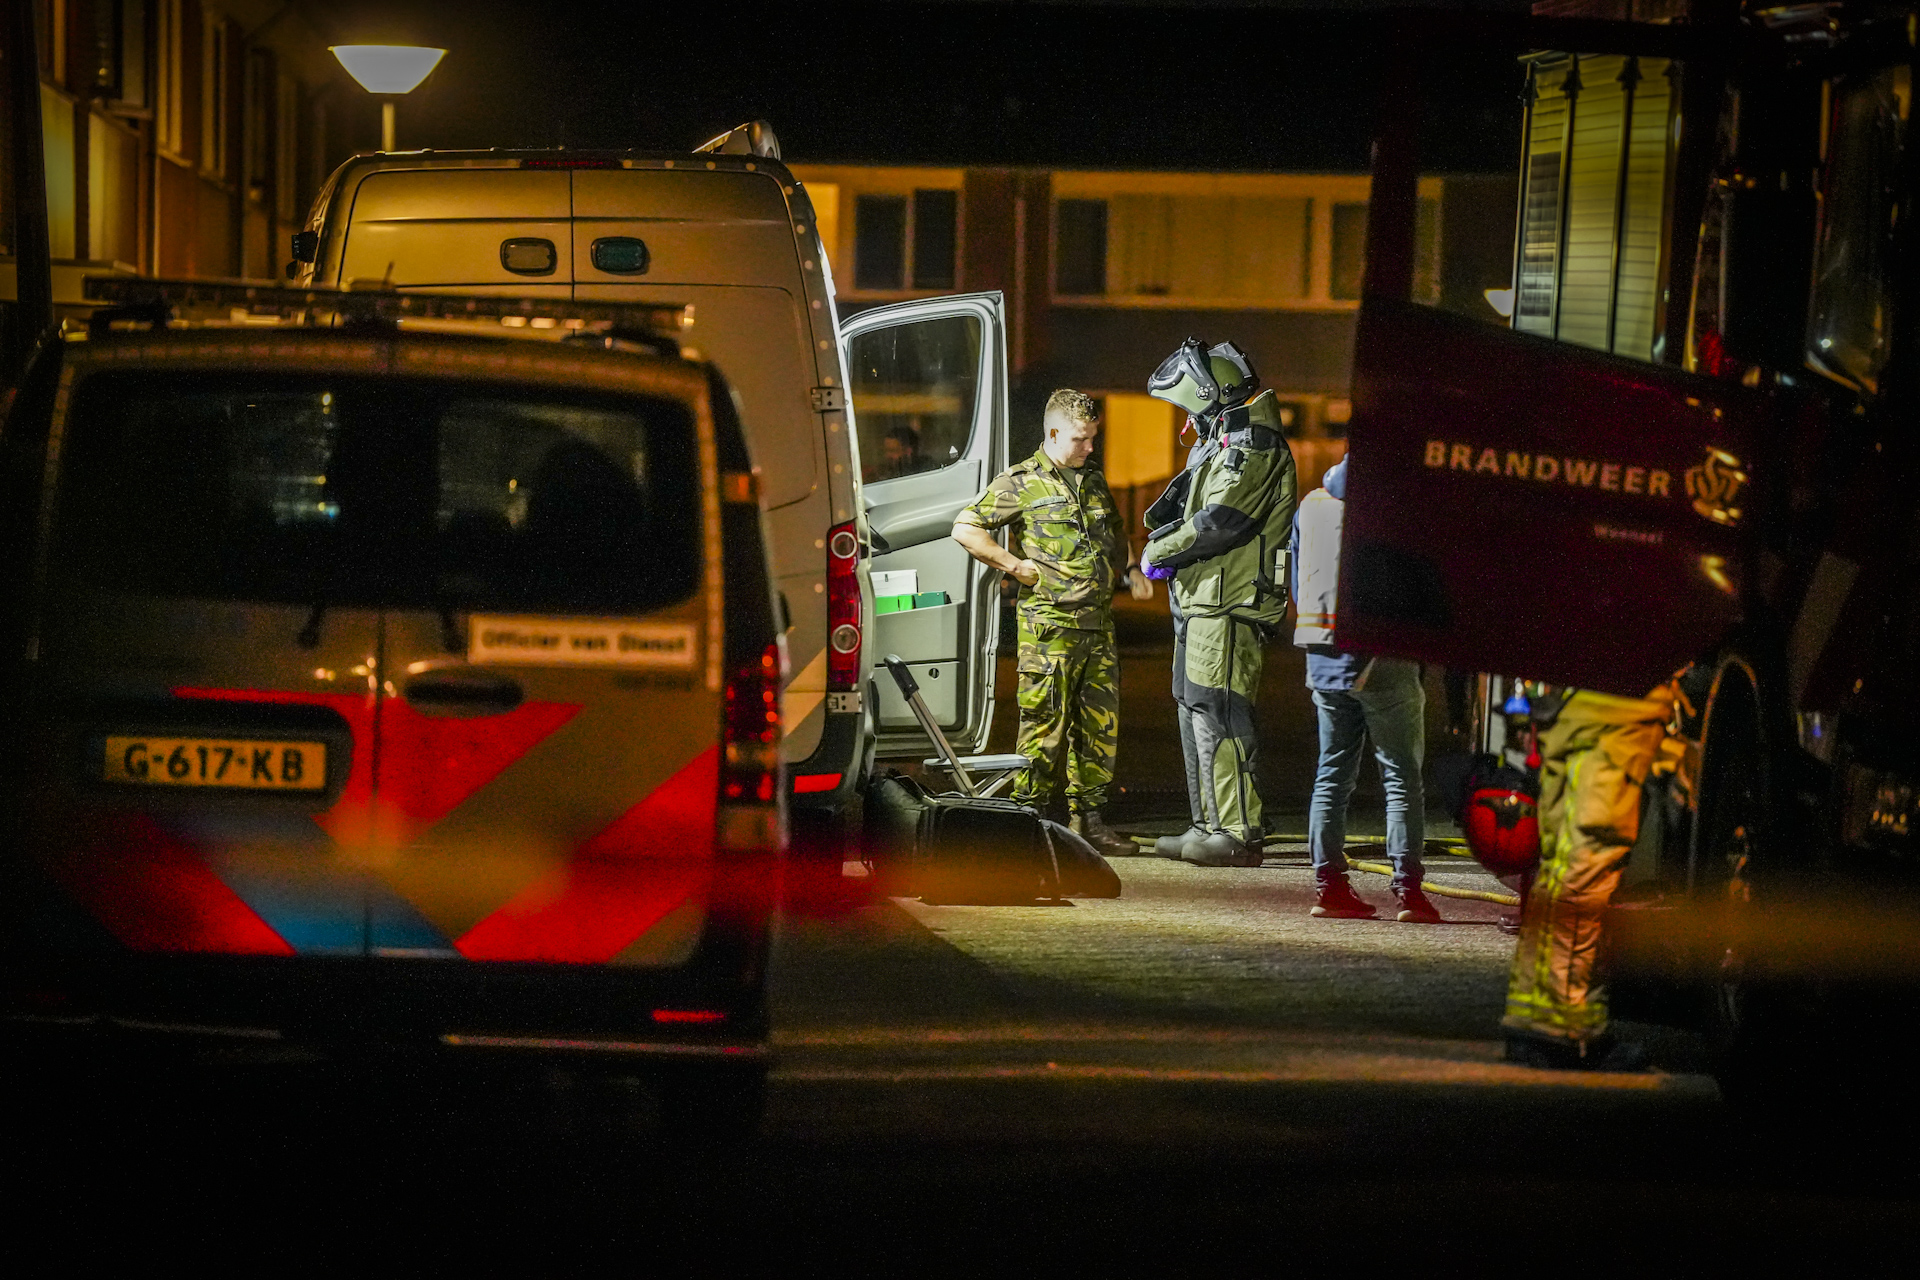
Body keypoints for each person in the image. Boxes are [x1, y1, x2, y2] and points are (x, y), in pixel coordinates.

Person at [952, 389, 1150, 858]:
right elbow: (965, 527)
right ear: (1054, 433)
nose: (1089, 448)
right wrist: (1013, 565)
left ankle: (1089, 822)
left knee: (1098, 727)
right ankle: (1031, 823)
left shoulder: (1093, 480)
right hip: (1050, 627)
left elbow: (1115, 533)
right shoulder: (1021, 482)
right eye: (1081, 439)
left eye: (1093, 438)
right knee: (1043, 725)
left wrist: (1132, 569)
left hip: (1097, 625)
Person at [1139, 339, 1297, 868]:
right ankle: (1207, 823)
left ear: (1213, 395)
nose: (1186, 418)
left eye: (1189, 407)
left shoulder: (1252, 445)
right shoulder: (1225, 440)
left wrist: (1157, 550)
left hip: (1229, 603)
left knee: (1219, 713)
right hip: (1204, 598)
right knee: (1194, 708)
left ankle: (1235, 829)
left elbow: (1221, 520)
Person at [1289, 458, 1439, 923]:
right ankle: (1409, 893)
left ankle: (1328, 887)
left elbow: (1296, 580)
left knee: (1332, 773)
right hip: (1379, 659)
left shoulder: (1311, 504)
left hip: (1321, 656)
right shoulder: (1389, 508)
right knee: (1401, 778)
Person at [1501, 680, 1676, 1070]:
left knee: (1561, 868)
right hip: (1618, 711)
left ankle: (1534, 1020)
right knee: (1586, 871)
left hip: (1577, 709)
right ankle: (1561, 1028)